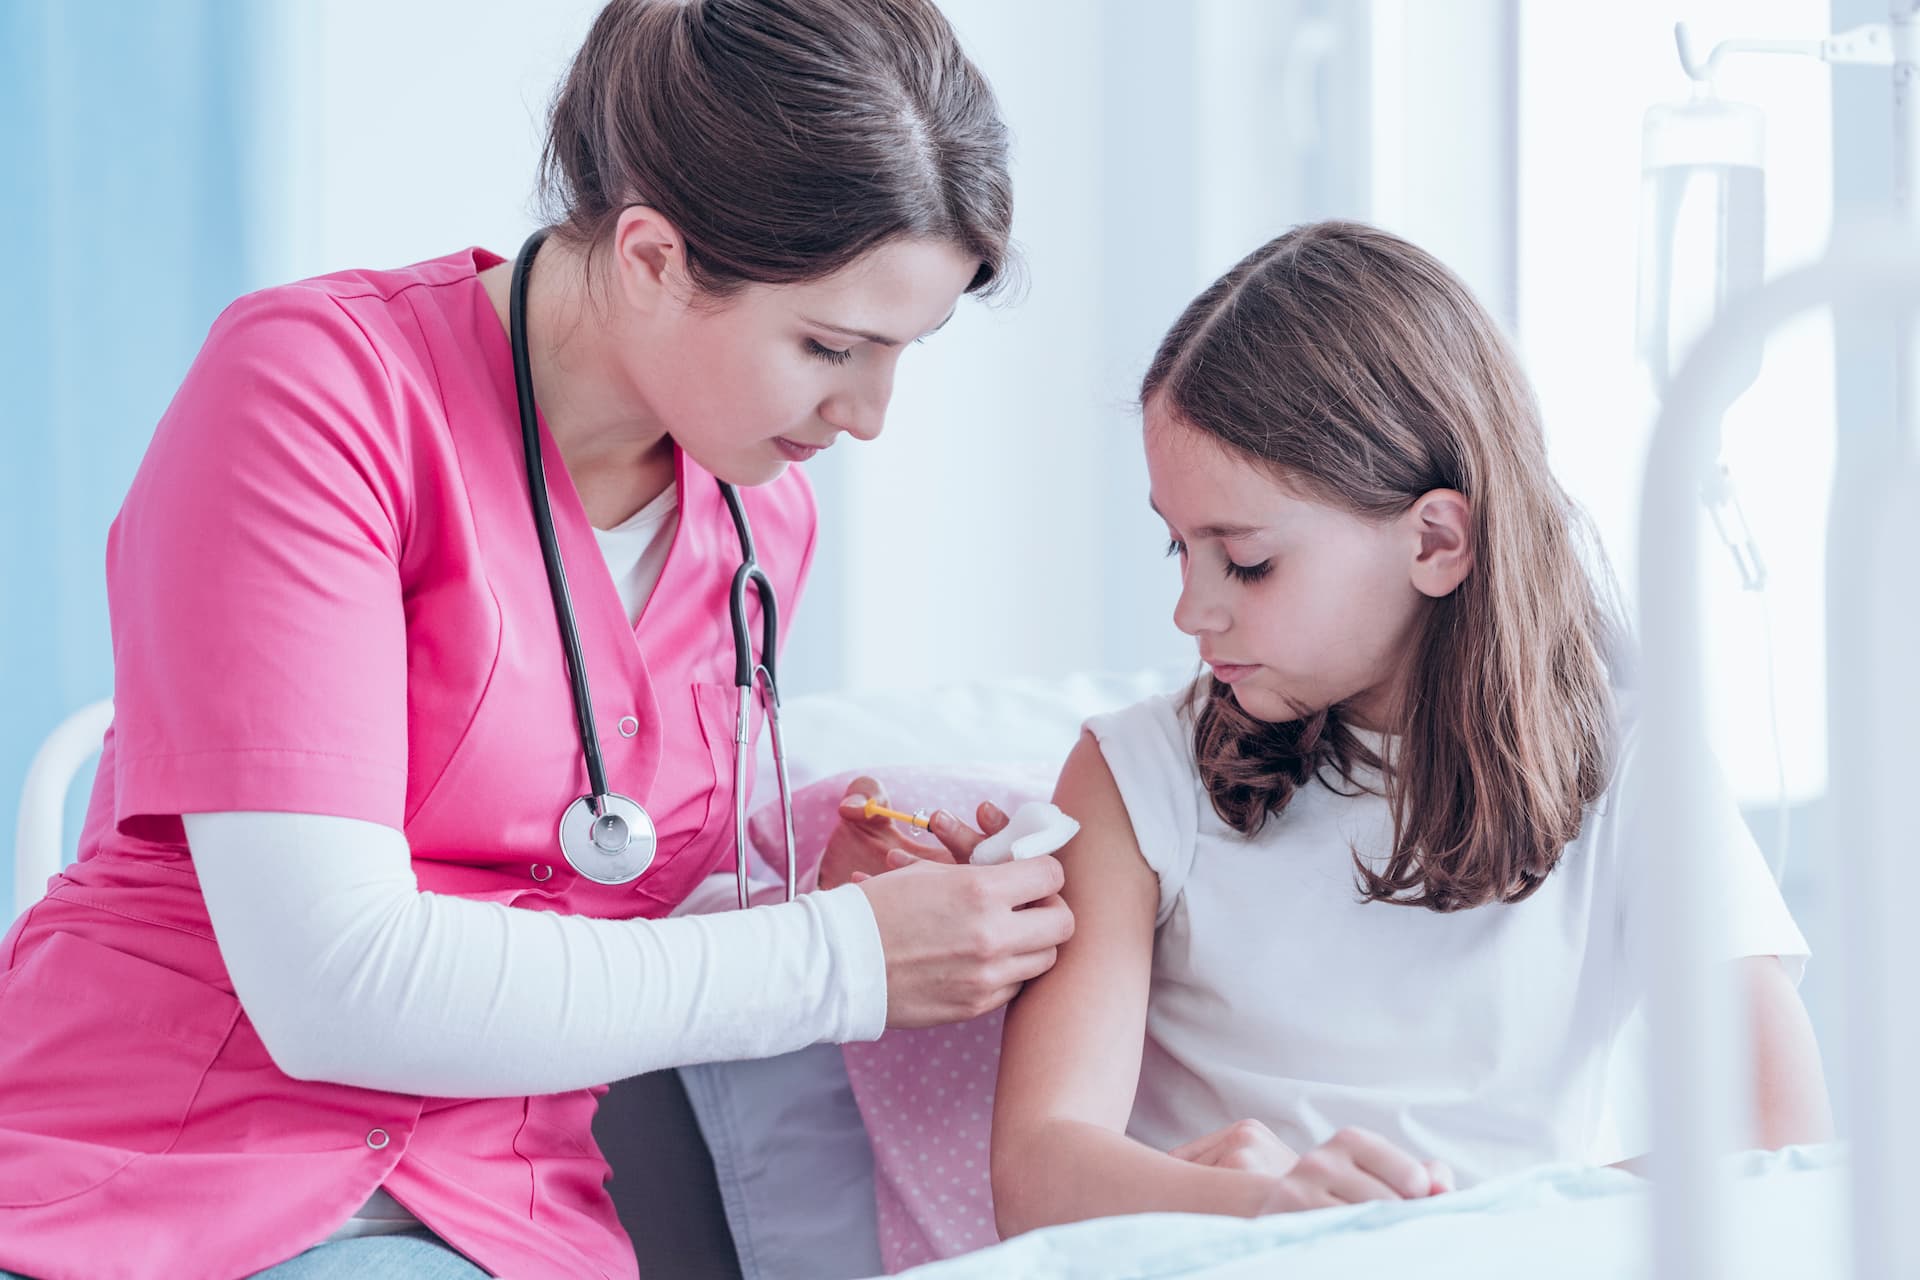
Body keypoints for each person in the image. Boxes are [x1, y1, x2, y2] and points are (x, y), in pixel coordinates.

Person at [0, 3, 1072, 1277]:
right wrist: (837, 959)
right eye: (831, 346)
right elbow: (334, 978)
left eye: (904, 353)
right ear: (653, 256)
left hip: (510, 1224)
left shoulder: (758, 517)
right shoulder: (313, 394)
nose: (871, 414)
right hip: (159, 1188)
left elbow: (578, 890)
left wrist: (817, 897)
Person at [989, 220, 1833, 1235]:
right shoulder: (1133, 777)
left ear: (1436, 540)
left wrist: (1430, 1231)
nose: (1192, 611)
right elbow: (1037, 1171)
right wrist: (1267, 1205)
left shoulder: (1637, 768)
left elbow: (1776, 1133)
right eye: (1179, 547)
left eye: (1246, 560)